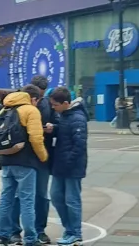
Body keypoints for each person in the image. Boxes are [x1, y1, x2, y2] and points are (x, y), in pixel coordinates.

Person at [0, 85, 48, 246]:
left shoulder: (5, 109)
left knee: (6, 199)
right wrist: (43, 157)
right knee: (27, 200)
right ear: (33, 98)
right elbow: (36, 138)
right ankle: (30, 238)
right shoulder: (30, 111)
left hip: (6, 160)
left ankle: (3, 235)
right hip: (25, 162)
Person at [9, 76, 57, 245]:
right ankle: (15, 231)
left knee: (41, 195)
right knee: (18, 196)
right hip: (24, 156)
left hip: (41, 154)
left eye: (42, 96)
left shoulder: (45, 103)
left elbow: (56, 122)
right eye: (38, 97)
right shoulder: (16, 103)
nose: (39, 100)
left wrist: (53, 127)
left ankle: (39, 230)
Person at [48, 87, 88, 246]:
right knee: (56, 197)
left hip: (72, 167)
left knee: (72, 200)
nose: (53, 108)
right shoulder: (65, 115)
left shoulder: (77, 118)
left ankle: (75, 233)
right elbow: (65, 132)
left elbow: (79, 145)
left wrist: (68, 162)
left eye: (55, 105)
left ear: (65, 103)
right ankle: (69, 229)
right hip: (61, 165)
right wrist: (54, 129)